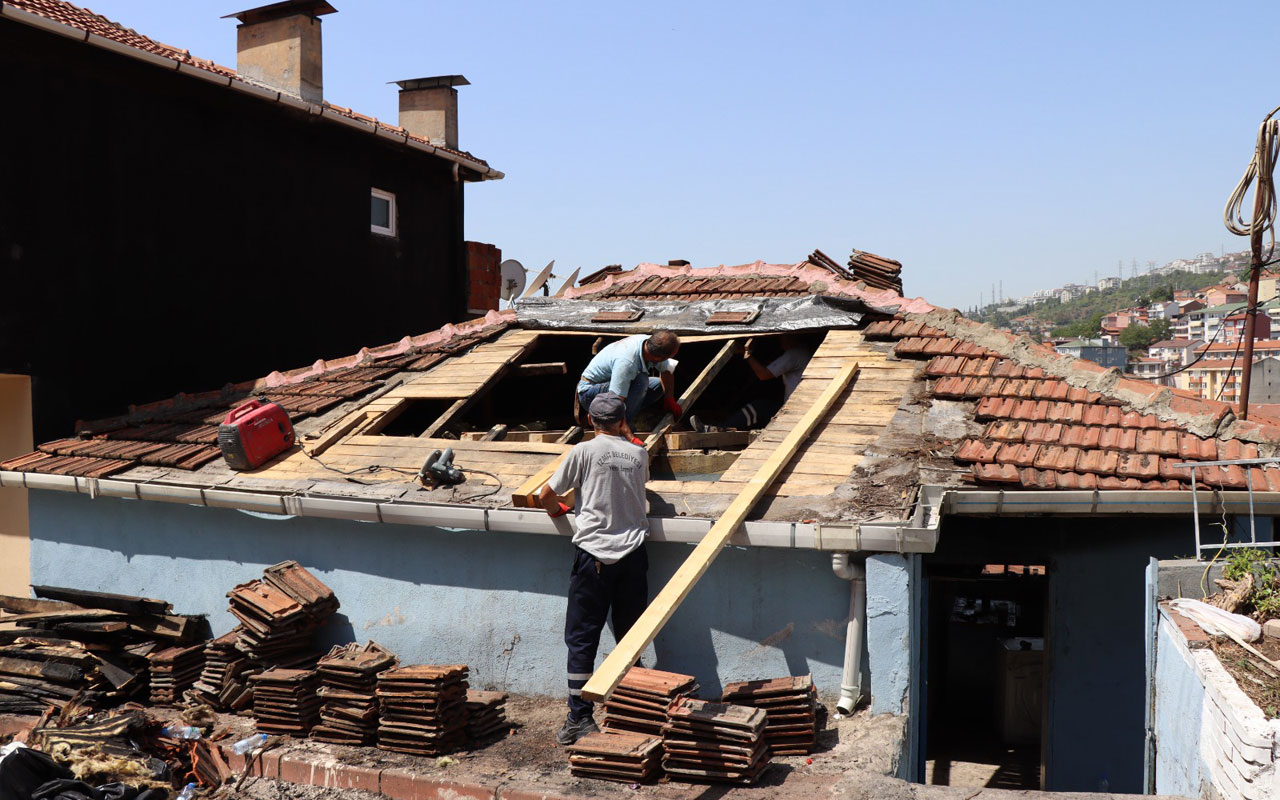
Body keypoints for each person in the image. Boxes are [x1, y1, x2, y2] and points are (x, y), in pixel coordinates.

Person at [539, 392, 651, 746]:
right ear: (623, 420)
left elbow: (546, 495)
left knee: (582, 638)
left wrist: (561, 513)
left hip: (594, 556)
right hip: (633, 555)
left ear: (590, 421)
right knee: (630, 634)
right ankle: (635, 712)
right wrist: (627, 434)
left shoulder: (583, 451)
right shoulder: (638, 453)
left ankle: (580, 718)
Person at [690, 334, 812, 431]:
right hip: (797, 408)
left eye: (783, 336)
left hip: (794, 411)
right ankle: (725, 427)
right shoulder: (804, 352)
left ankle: (721, 430)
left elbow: (763, 374)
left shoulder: (795, 353)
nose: (781, 340)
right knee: (761, 407)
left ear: (792, 336)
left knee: (759, 407)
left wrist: (747, 355)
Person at [577, 330, 682, 432]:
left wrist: (669, 398)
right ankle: (619, 424)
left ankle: (616, 417)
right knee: (641, 381)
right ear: (658, 358)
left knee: (658, 385)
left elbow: (667, 370)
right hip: (589, 393)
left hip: (615, 389)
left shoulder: (648, 344)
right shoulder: (627, 362)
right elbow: (616, 400)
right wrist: (627, 433)